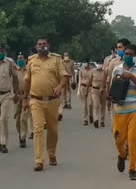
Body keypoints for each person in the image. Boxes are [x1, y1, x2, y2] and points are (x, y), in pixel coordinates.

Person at [23, 36, 69, 171]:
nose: (42, 46)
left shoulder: (56, 60)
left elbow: (64, 77)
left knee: (53, 130)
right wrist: (25, 99)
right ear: (36, 46)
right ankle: (39, 160)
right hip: (36, 100)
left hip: (52, 101)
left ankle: (52, 154)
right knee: (38, 129)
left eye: (44, 44)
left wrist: (59, 87)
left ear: (48, 45)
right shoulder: (31, 61)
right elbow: (27, 81)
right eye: (39, 44)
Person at [111, 44, 136, 180]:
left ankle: (132, 169)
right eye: (126, 53)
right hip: (120, 110)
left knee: (132, 141)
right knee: (119, 139)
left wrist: (131, 77)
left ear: (134, 56)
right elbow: (112, 88)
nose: (127, 56)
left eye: (130, 54)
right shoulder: (116, 70)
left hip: (134, 109)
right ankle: (121, 155)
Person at [0, 44, 19, 153]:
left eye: (2, 51)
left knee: (3, 119)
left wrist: (16, 93)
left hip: (6, 95)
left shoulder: (10, 62)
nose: (0, 52)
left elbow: (15, 77)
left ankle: (3, 143)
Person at [14, 52, 33, 148]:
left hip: (28, 96)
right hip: (18, 96)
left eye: (21, 58)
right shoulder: (15, 70)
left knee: (23, 118)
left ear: (25, 60)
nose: (19, 60)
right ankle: (20, 133)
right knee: (17, 119)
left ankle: (23, 137)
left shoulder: (29, 70)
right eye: (18, 58)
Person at [87, 58, 105, 128]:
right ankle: (96, 120)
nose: (99, 64)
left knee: (103, 106)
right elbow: (89, 81)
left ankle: (102, 121)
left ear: (103, 64)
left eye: (101, 63)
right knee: (96, 105)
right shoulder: (93, 71)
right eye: (98, 63)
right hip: (94, 90)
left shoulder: (105, 71)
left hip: (103, 90)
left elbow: (107, 80)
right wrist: (87, 90)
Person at [77, 57, 93, 126]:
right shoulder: (81, 69)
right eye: (83, 62)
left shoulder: (92, 69)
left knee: (90, 103)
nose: (85, 64)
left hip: (90, 88)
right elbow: (80, 79)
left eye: (86, 62)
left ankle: (91, 115)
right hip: (82, 87)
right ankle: (85, 119)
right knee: (84, 105)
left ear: (88, 63)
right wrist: (78, 90)